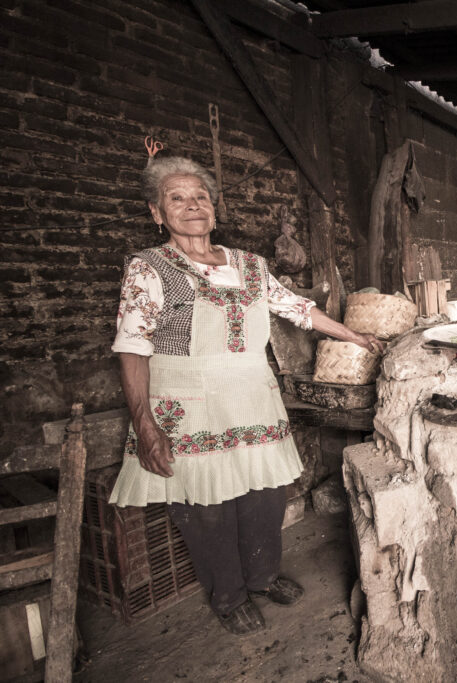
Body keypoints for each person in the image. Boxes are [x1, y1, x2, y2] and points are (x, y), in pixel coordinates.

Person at [110, 154, 384, 636]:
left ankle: (262, 577)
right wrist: (144, 424)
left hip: (252, 395)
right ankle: (229, 594)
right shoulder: (148, 269)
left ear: (214, 208)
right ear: (157, 212)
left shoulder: (251, 266)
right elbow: (133, 348)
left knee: (265, 493)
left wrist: (354, 336)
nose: (193, 205)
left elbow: (298, 309)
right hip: (189, 404)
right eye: (177, 198)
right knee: (206, 507)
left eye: (201, 197)